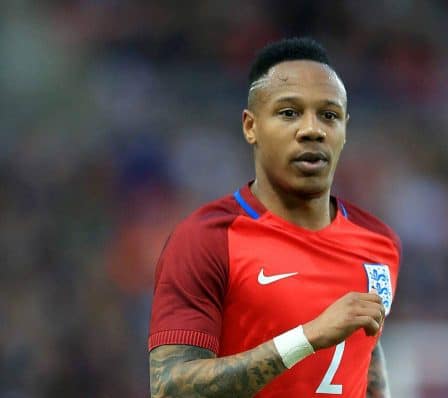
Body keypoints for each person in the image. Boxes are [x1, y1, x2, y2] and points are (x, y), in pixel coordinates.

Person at [148, 37, 401, 398]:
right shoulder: (207, 239)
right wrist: (307, 338)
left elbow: (364, 353)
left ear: (344, 129)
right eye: (289, 113)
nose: (312, 129)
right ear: (251, 127)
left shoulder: (380, 243)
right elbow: (169, 387)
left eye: (328, 115)